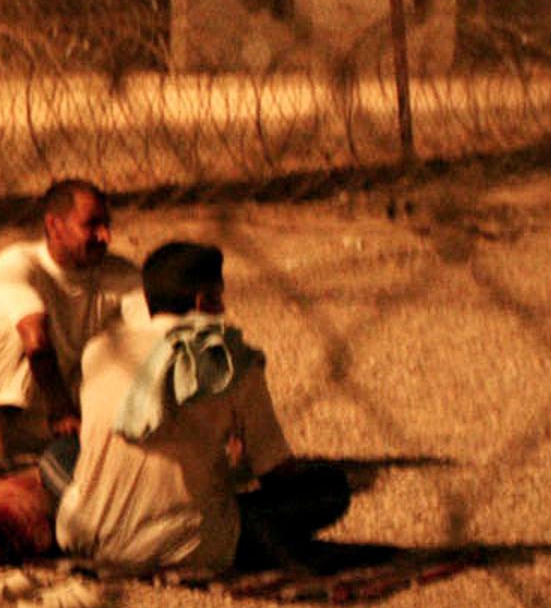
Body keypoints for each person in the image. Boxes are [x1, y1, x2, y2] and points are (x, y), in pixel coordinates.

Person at [56, 241, 351, 575]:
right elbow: (275, 474)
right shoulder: (231, 360)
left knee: (59, 455)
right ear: (203, 300)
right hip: (185, 544)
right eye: (219, 297)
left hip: (84, 533)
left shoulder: (102, 349)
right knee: (330, 488)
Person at [0, 178, 141, 494]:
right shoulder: (19, 263)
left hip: (65, 415)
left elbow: (156, 333)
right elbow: (36, 343)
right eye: (92, 225)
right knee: (28, 330)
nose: (105, 236)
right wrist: (61, 406)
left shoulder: (120, 274)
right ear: (54, 226)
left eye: (106, 225)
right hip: (1, 405)